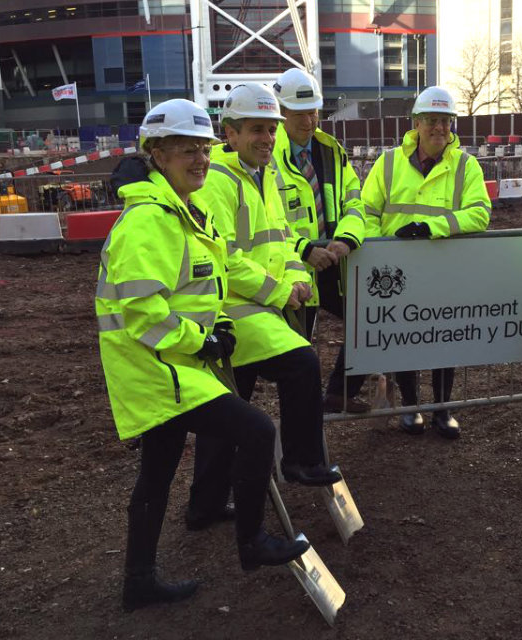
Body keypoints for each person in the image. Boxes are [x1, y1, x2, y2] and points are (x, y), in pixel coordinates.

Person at [96, 99, 311, 612]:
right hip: (157, 368)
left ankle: (138, 581)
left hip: (171, 362)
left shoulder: (185, 211)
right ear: (157, 154)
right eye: (186, 150)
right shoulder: (149, 221)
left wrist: (220, 324)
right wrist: (203, 341)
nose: (200, 160)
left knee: (157, 473)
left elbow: (202, 283)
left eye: (204, 149)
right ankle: (253, 543)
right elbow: (144, 313)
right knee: (256, 430)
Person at [188, 84, 341, 522]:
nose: (268, 138)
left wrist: (298, 279)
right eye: (257, 129)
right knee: (302, 363)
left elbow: (282, 241)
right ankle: (301, 460)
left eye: (271, 130)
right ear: (230, 134)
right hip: (232, 311)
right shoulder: (217, 182)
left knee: (226, 412)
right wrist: (279, 291)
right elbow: (222, 258)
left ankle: (205, 505)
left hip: (257, 307)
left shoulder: (264, 175)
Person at [361, 86, 491, 439]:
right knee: (404, 338)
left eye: (445, 121)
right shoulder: (389, 163)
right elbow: (367, 211)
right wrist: (380, 249)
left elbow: (480, 213)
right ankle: (410, 406)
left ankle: (442, 409)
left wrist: (430, 227)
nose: (439, 127)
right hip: (397, 269)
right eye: (432, 120)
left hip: (444, 269)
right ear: (416, 123)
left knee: (444, 338)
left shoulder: (465, 166)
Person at [271, 67, 370, 414]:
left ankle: (339, 393)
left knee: (368, 318)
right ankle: (299, 423)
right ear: (281, 112)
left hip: (332, 261)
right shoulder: (267, 155)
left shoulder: (331, 151)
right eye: (299, 113)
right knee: (296, 354)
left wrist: (346, 239)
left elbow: (354, 201)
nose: (309, 120)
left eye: (313, 111)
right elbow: (267, 219)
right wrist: (304, 249)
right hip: (291, 267)